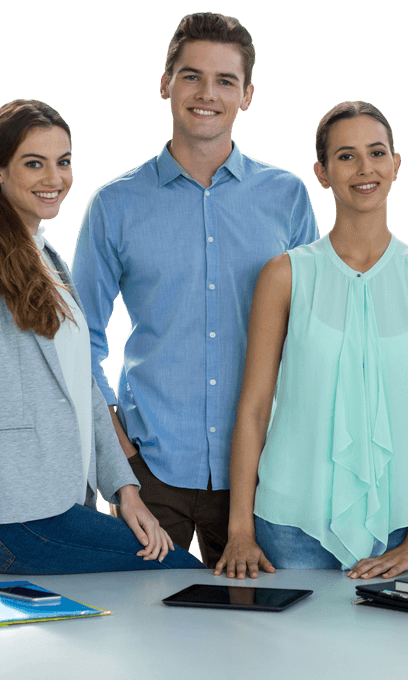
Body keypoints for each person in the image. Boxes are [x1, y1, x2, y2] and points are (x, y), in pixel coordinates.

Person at [71, 12, 318, 568]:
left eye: (225, 80)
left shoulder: (287, 197)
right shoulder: (114, 204)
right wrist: (121, 455)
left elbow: (310, 329)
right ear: (165, 84)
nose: (207, 94)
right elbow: (77, 339)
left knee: (263, 640)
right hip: (151, 471)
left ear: (247, 95)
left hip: (263, 473)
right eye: (191, 76)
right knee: (142, 637)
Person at [0, 100, 204, 585]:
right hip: (14, 516)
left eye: (64, 161)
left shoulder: (47, 256)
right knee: (180, 570)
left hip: (64, 498)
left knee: (156, 584)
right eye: (33, 163)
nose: (53, 177)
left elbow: (84, 388)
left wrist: (126, 490)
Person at [213, 101, 408, 580]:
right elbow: (254, 409)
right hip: (288, 529)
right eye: (346, 156)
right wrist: (240, 529)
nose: (364, 168)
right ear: (322, 173)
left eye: (376, 153)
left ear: (396, 164)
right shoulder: (285, 275)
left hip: (400, 529)